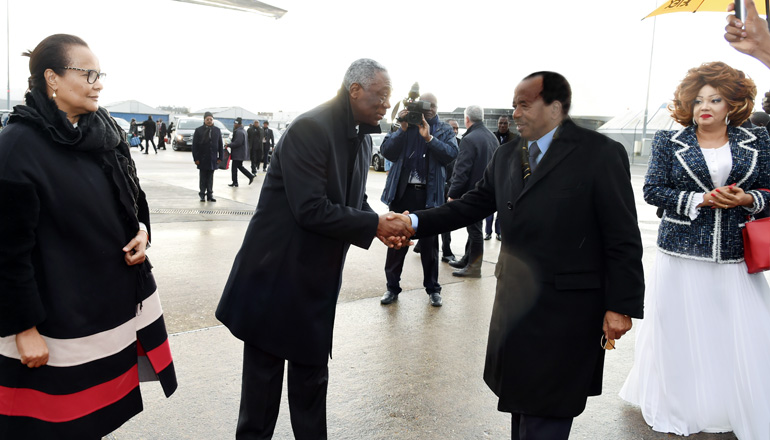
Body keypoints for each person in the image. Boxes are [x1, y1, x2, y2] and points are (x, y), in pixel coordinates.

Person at [395, 71, 644, 439]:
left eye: (524, 104)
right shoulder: (507, 154)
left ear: (556, 106)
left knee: (549, 413)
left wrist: (620, 306)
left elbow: (623, 236)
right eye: (514, 105)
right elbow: (470, 205)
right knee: (523, 409)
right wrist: (411, 221)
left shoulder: (600, 154)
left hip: (568, 312)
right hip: (516, 307)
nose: (515, 113)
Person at [216, 58, 413, 439]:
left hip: (312, 285)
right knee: (259, 403)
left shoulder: (360, 135)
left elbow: (352, 200)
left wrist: (380, 226)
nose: (387, 105)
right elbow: (310, 208)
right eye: (382, 95)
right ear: (355, 89)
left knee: (310, 390)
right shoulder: (312, 128)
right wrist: (373, 225)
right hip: (274, 282)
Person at [0, 33, 177, 438]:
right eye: (88, 73)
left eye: (100, 74)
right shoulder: (16, 148)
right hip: (57, 317)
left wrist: (143, 232)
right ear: (52, 79)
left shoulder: (106, 134)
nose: (99, 83)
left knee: (96, 417)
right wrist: (22, 328)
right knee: (52, 422)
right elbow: (7, 253)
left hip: (109, 313)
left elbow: (135, 197)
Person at [619, 61, 770, 439]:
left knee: (739, 334)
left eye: (716, 99)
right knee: (681, 335)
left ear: (732, 104)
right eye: (699, 99)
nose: (705, 106)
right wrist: (699, 199)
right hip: (680, 255)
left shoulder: (759, 141)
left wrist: (748, 198)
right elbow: (652, 190)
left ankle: (729, 405)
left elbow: (769, 191)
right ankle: (683, 406)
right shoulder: (670, 142)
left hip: (736, 255)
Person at [379, 92, 459, 307]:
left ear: (437, 107)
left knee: (430, 246)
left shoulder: (442, 129)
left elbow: (451, 154)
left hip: (429, 195)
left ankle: (433, 289)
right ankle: (392, 288)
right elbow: (387, 151)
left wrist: (429, 139)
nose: (429, 109)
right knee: (397, 244)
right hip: (403, 194)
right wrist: (402, 129)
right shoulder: (405, 124)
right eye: (426, 105)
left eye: (433, 105)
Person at [445, 105, 498, 278]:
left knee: (474, 230)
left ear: (467, 119)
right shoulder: (491, 137)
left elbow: (462, 170)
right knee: (474, 227)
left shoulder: (469, 139)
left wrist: (453, 193)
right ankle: (468, 259)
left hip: (473, 192)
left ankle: (474, 267)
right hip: (488, 191)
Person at [440, 118, 461, 263]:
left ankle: (421, 246)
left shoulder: (460, 144)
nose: (454, 131)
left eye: (456, 128)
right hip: (441, 186)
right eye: (452, 128)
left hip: (451, 186)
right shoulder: (441, 144)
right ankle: (446, 251)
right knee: (443, 221)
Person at [192, 111, 224, 202]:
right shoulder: (198, 130)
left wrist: (220, 157)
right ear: (204, 120)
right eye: (207, 119)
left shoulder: (217, 130)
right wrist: (196, 158)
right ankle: (202, 194)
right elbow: (195, 146)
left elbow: (220, 145)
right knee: (203, 177)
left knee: (210, 178)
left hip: (213, 159)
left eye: (211, 119)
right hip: (202, 159)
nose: (209, 121)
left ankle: (210, 195)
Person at [228, 117, 255, 187]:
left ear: (237, 124)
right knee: (239, 166)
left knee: (234, 168)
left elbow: (238, 143)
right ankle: (250, 176)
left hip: (238, 153)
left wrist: (229, 145)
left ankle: (235, 182)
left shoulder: (239, 132)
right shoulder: (243, 130)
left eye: (235, 123)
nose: (234, 124)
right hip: (241, 153)